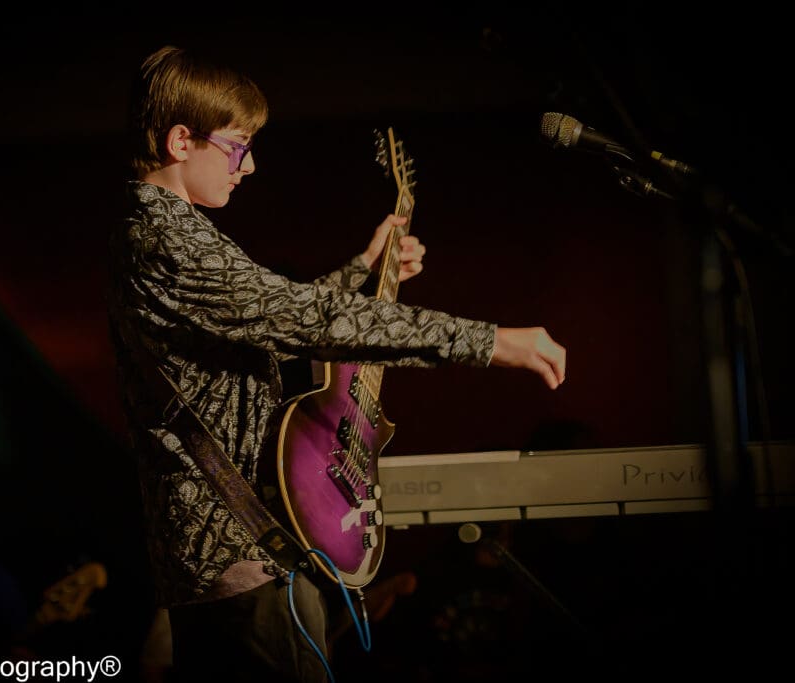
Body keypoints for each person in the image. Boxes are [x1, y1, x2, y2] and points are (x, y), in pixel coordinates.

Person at [106, 45, 567, 683]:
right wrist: (490, 341)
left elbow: (264, 323)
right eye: (239, 146)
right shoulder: (162, 237)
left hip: (240, 553)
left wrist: (359, 271)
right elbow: (300, 318)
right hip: (236, 553)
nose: (250, 164)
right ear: (182, 140)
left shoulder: (165, 229)